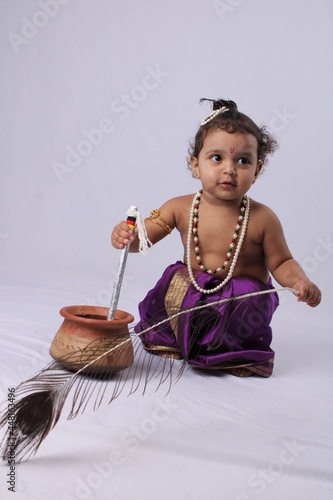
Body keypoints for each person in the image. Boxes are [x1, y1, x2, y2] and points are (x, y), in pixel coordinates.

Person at [111, 98, 321, 377]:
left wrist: (298, 281)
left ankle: (233, 353)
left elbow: (282, 262)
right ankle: (174, 338)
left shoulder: (262, 218)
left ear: (257, 171)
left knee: (248, 294)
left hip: (238, 306)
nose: (229, 169)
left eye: (243, 160)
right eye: (217, 157)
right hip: (194, 299)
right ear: (196, 165)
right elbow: (144, 240)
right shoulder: (180, 207)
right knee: (176, 278)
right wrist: (128, 236)